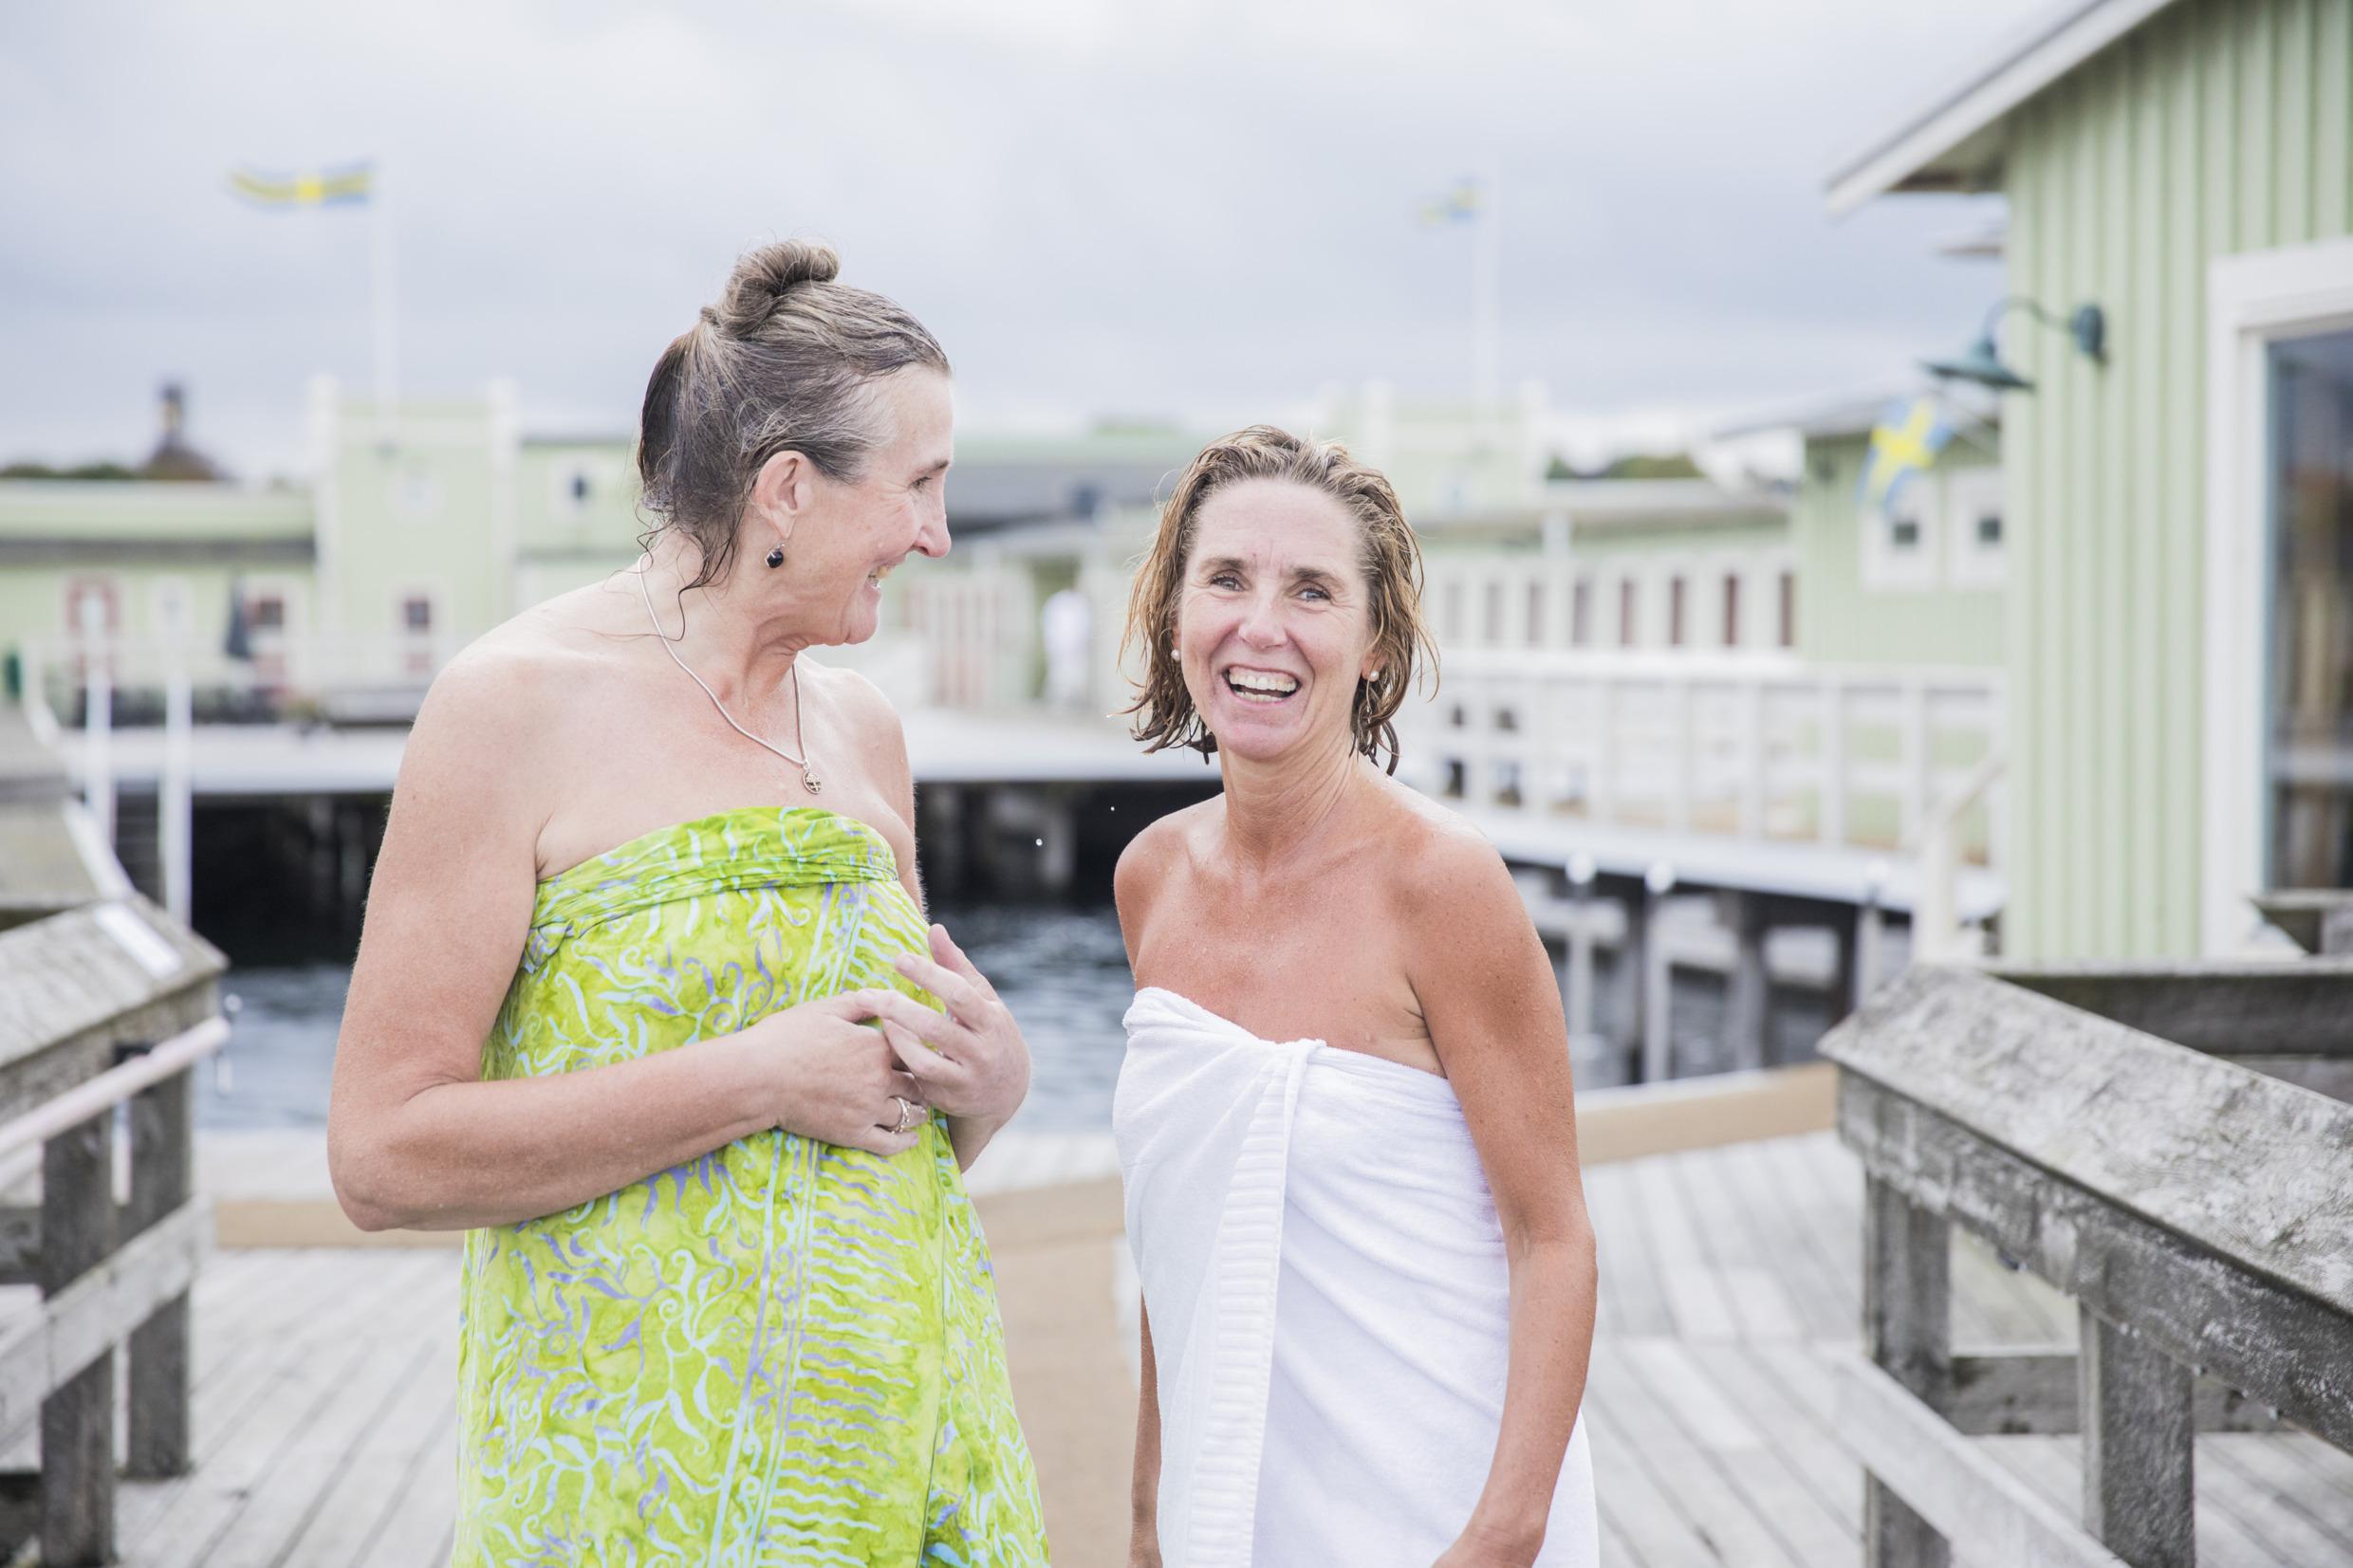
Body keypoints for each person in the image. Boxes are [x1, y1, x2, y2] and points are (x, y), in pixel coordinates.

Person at [326, 241, 1050, 1564]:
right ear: (787, 490)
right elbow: (381, 1156)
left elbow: (858, 1132)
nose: (939, 534)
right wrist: (757, 1077)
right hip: (635, 1483)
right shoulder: (511, 707)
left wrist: (982, 1088)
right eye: (921, 486)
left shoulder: (866, 729)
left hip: (902, 1457)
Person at [1110, 427, 1600, 1566]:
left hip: (1432, 1506)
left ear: (1374, 643)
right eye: (1224, 578)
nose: (1259, 626)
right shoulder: (1151, 884)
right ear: (1175, 613)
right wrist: (1146, 1521)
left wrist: (1501, 1537)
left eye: (1313, 592)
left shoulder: (1443, 885)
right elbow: (1181, 1241)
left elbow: (1554, 1238)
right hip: (1230, 1509)